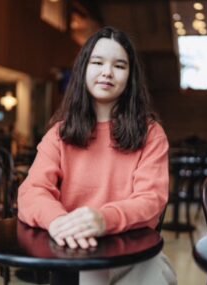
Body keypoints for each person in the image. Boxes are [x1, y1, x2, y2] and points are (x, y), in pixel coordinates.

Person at [18, 26, 176, 285]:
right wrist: (56, 221)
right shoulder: (60, 133)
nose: (107, 72)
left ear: (130, 78)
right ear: (83, 70)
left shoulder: (151, 133)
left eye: (120, 66)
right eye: (98, 62)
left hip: (130, 257)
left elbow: (151, 200)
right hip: (72, 253)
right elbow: (31, 191)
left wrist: (103, 219)